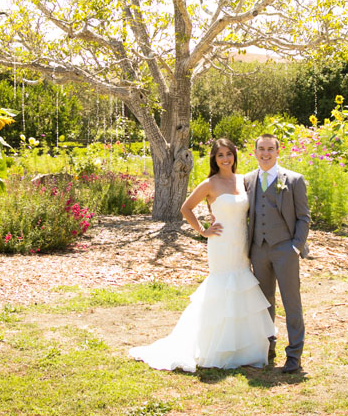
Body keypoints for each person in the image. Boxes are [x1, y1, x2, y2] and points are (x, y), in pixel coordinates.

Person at [128, 138, 275, 372]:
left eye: (229, 154)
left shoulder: (243, 180)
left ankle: (243, 348)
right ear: (214, 159)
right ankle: (215, 347)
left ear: (234, 156)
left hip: (242, 244)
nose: (226, 159)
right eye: (220, 155)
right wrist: (203, 230)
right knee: (222, 288)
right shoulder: (210, 184)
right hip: (221, 244)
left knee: (242, 287)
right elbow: (185, 208)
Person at [246, 133, 310, 374]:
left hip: (285, 249)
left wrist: (295, 246)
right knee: (264, 302)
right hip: (258, 250)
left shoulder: (293, 180)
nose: (265, 153)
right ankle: (267, 347)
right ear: (255, 152)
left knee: (291, 302)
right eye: (261, 148)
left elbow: (304, 217)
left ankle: (294, 355)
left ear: (277, 151)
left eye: (270, 148)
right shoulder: (248, 180)